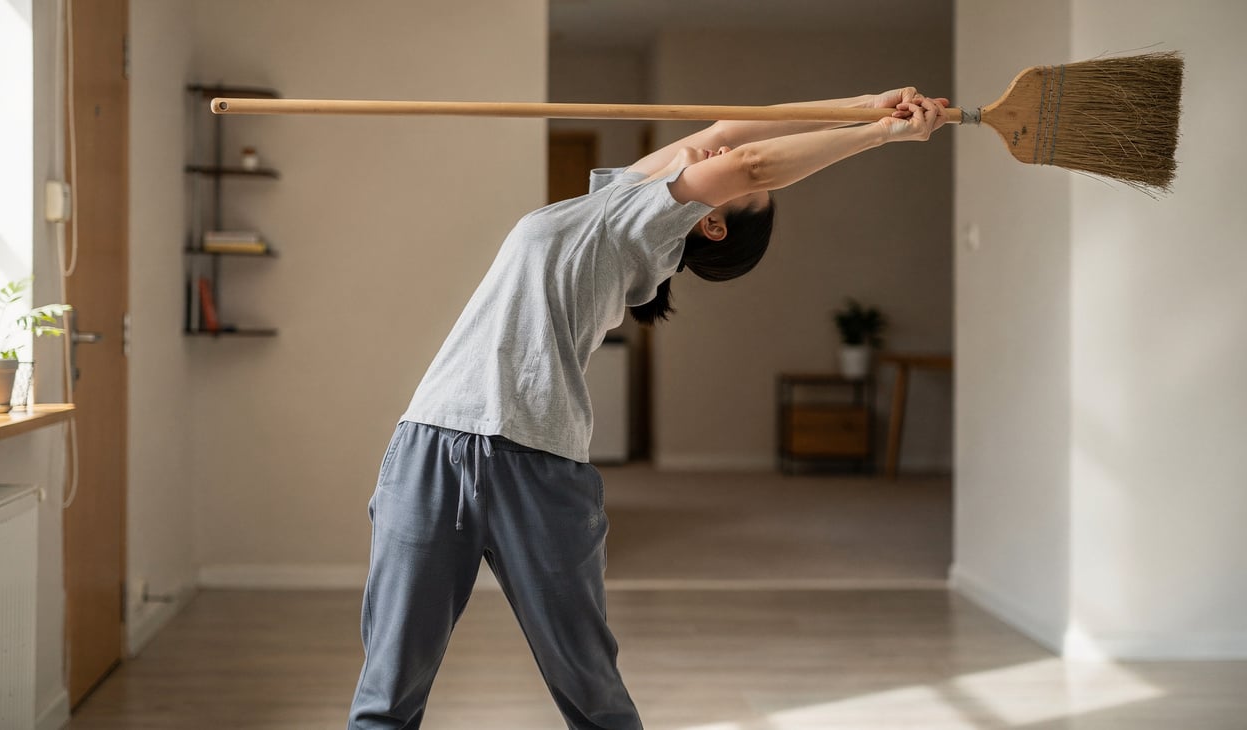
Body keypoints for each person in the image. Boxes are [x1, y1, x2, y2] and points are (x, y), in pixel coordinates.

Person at [348, 87, 950, 729]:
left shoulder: (645, 227)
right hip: (431, 441)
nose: (737, 151)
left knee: (589, 686)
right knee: (387, 688)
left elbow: (751, 165)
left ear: (711, 221)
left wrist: (884, 135)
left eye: (741, 178)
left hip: (536, 462)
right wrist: (866, 104)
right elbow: (729, 126)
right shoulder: (613, 197)